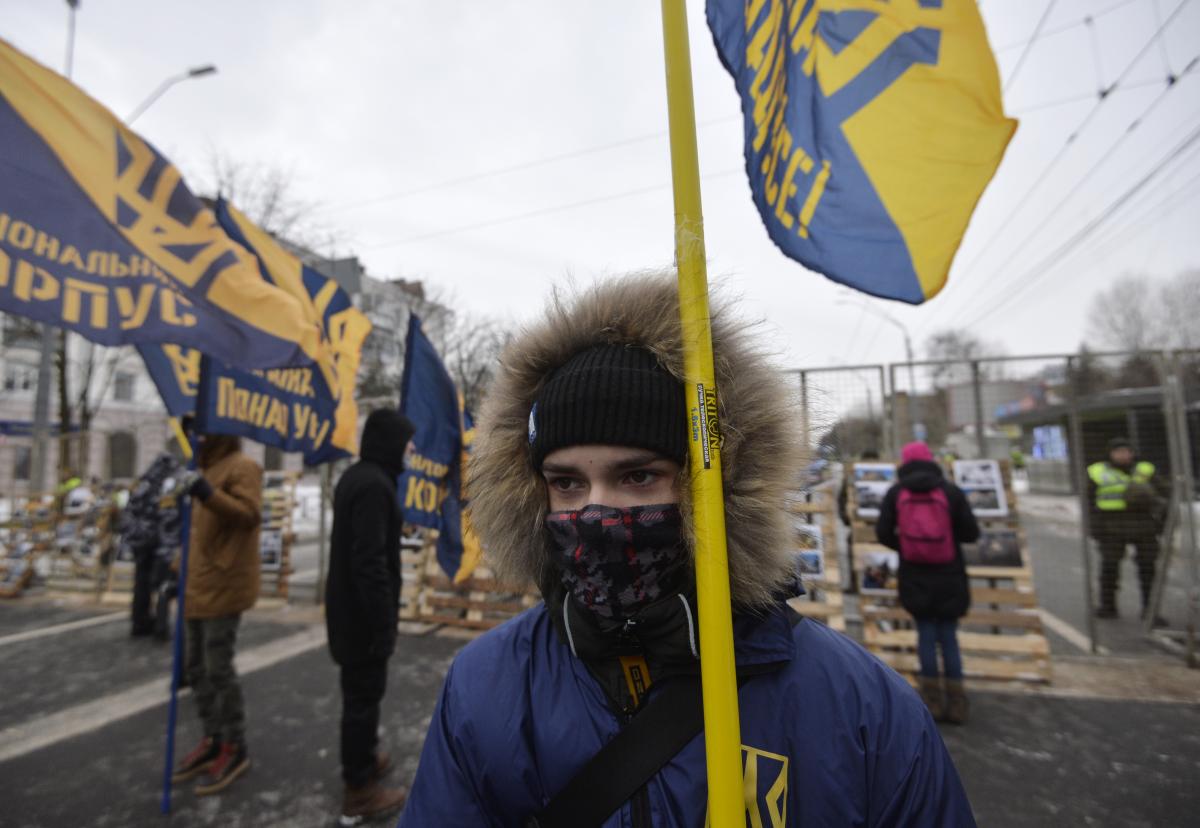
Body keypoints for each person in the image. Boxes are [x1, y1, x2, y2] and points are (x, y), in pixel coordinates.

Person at [400, 274, 975, 825]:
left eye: (639, 476)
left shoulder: (860, 709)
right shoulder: (487, 687)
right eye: (567, 483)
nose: (597, 512)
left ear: (710, 489)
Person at [325, 408, 415, 823]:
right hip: (362, 620)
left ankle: (363, 759)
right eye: (406, 443)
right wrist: (384, 624)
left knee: (359, 695)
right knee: (363, 699)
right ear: (390, 443)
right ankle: (359, 789)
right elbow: (370, 563)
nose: (411, 452)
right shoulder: (375, 486)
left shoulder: (357, 478)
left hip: (347, 613)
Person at [171, 428, 262, 796]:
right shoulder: (204, 468)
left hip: (222, 585)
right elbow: (198, 530)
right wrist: (179, 564)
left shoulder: (242, 466)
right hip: (196, 584)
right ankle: (213, 737)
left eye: (202, 431)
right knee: (195, 668)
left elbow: (248, 514)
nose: (197, 438)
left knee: (217, 668)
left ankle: (234, 745)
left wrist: (207, 494)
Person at [875, 441, 979, 725]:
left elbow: (882, 532)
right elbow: (971, 533)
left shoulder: (896, 493)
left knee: (925, 634)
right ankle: (956, 700)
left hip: (915, 574)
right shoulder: (950, 491)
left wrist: (906, 547)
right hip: (950, 573)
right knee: (948, 636)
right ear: (931, 460)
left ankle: (930, 699)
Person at [1087, 437, 1170, 623]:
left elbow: (1165, 494)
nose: (1123, 455)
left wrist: (1161, 524)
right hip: (1111, 526)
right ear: (1110, 454)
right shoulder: (1097, 472)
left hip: (1144, 524)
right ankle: (1108, 607)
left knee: (1148, 569)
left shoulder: (1145, 469)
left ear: (1132, 453)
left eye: (1126, 451)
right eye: (1118, 451)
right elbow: (1089, 503)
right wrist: (1094, 527)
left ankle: (1150, 611)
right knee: (1109, 568)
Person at [121, 451, 182, 639]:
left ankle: (139, 622)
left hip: (140, 540)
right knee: (163, 584)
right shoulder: (167, 485)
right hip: (157, 541)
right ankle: (160, 627)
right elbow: (168, 515)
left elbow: (130, 511)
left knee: (141, 583)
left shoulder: (143, 484)